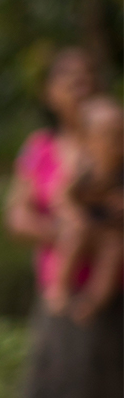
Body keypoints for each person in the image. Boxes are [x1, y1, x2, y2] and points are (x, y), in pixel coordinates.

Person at [4, 49, 123, 398]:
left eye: (87, 77)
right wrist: (67, 230)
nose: (78, 85)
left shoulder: (116, 140)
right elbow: (19, 217)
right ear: (49, 93)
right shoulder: (44, 149)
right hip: (56, 291)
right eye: (67, 78)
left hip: (110, 297)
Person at [47, 95, 124, 321]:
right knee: (75, 235)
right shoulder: (82, 170)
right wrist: (73, 215)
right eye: (110, 137)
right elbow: (60, 196)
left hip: (109, 229)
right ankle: (58, 289)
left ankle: (92, 302)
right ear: (89, 141)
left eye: (122, 136)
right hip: (84, 224)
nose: (119, 145)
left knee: (114, 248)